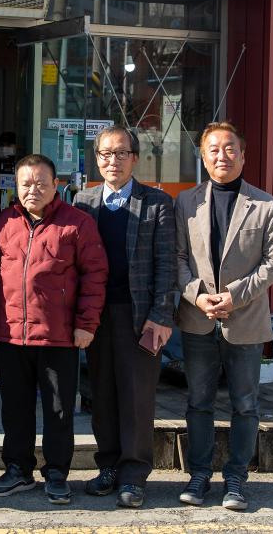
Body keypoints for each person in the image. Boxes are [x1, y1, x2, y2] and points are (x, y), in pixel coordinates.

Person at [174, 122, 273, 511]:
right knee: (199, 401)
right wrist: (199, 296)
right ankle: (200, 473)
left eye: (229, 149)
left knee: (245, 403)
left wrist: (234, 296)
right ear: (203, 156)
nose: (221, 156)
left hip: (246, 320)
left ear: (243, 154)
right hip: (198, 316)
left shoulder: (265, 205)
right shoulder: (186, 202)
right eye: (213, 150)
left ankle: (237, 477)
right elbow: (176, 259)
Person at [0, 154, 108, 505]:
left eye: (40, 182)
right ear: (15, 186)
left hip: (59, 334)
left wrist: (86, 324)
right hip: (12, 333)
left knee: (58, 409)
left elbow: (95, 276)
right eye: (25, 183)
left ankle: (56, 473)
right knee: (15, 407)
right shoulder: (6, 222)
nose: (32, 189)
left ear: (56, 185)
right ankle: (18, 469)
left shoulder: (77, 224)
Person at [73, 124, 176, 509]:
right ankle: (108, 466)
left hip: (141, 316)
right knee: (101, 394)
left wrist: (161, 315)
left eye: (120, 153)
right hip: (96, 315)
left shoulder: (156, 202)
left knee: (136, 396)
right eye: (105, 154)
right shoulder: (83, 200)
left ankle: (134, 475)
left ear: (134, 158)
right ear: (96, 158)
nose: (112, 161)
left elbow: (167, 264)